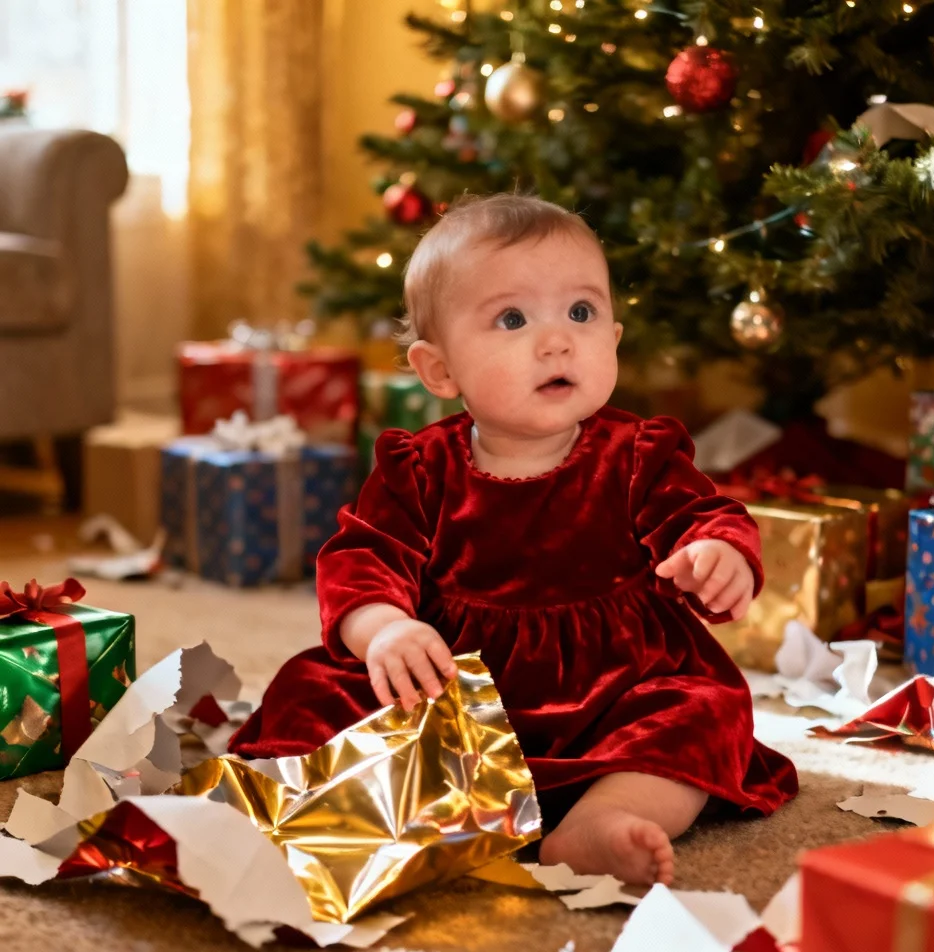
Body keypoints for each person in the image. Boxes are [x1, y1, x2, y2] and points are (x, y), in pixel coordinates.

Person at [230, 193, 798, 886]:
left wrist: (720, 554)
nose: (558, 340)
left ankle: (603, 817)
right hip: (457, 690)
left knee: (702, 714)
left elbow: (702, 515)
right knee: (308, 690)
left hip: (617, 687)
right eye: (512, 318)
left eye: (581, 313)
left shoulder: (638, 454)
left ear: (613, 339)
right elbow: (362, 559)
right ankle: (376, 793)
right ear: (440, 371)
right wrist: (383, 631)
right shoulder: (420, 469)